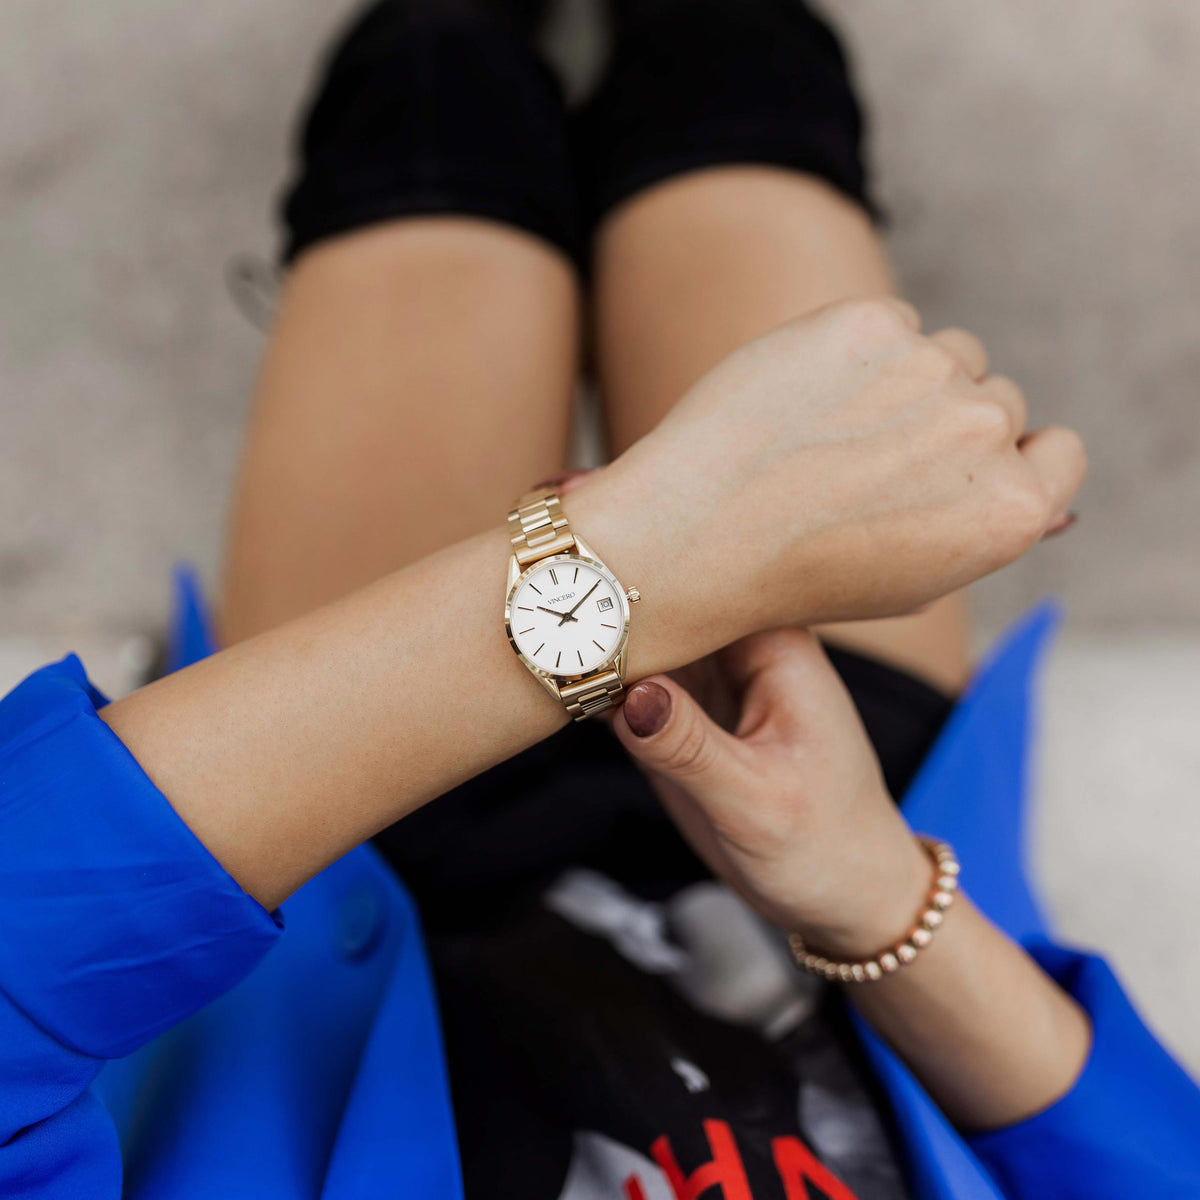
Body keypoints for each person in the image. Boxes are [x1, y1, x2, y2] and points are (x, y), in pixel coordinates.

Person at [0, 1, 1195, 1198]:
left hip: (357, 839)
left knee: (431, 98)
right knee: (746, 84)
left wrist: (652, 556)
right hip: (840, 802)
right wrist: (874, 899)